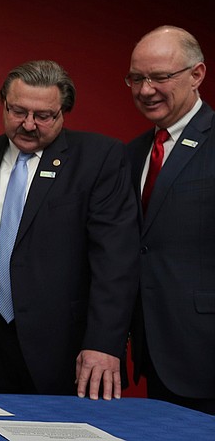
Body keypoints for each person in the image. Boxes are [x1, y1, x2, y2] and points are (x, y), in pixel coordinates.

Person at [0, 60, 139, 399]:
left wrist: (103, 343)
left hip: (66, 348)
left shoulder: (99, 158)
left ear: (63, 112)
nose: (28, 124)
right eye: (18, 111)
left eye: (43, 116)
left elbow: (115, 261)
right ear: (4, 104)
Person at [125, 26, 215, 414]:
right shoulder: (134, 153)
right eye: (136, 78)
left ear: (197, 75)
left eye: (160, 77)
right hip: (157, 350)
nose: (146, 90)